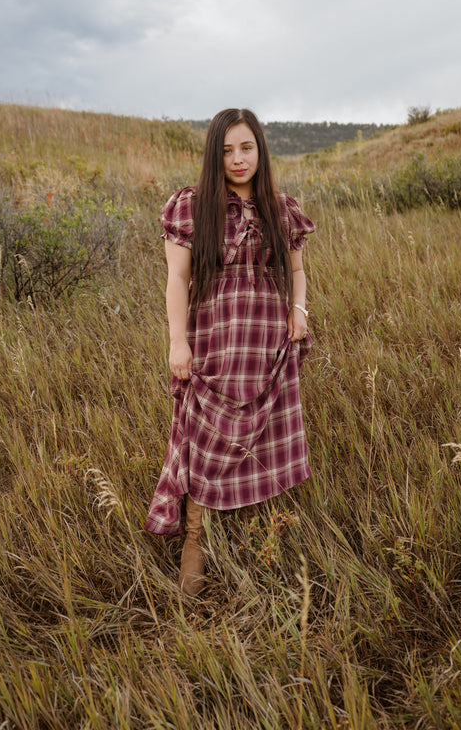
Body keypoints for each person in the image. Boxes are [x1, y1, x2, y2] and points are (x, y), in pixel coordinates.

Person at [145, 108, 315, 596]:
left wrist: (300, 310)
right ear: (213, 154)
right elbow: (177, 279)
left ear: (260, 149)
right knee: (204, 447)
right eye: (226, 150)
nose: (237, 159)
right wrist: (178, 342)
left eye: (246, 148)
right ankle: (194, 544)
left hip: (267, 348)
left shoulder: (281, 208)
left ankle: (257, 551)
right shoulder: (193, 206)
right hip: (214, 346)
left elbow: (297, 271)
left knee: (262, 446)